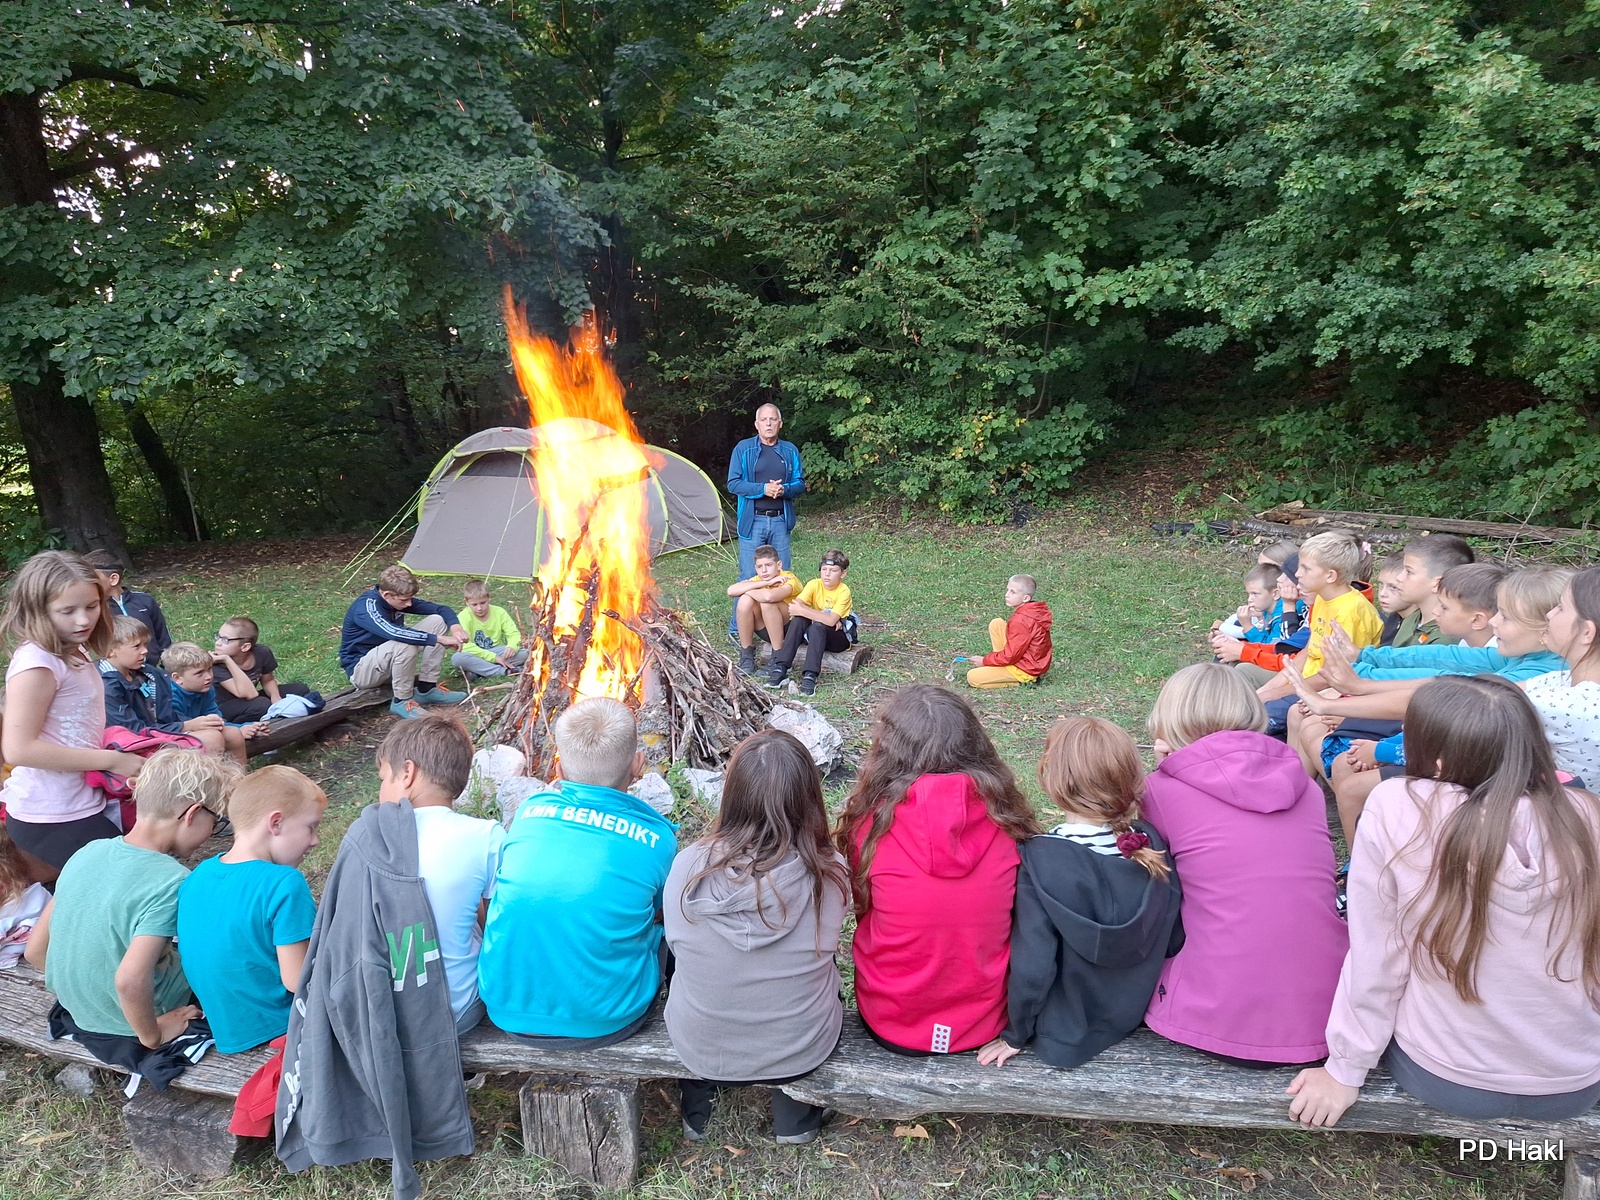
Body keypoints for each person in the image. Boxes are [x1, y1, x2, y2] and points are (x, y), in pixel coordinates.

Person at [1287, 675, 1600, 1127]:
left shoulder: (1400, 806)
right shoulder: (1586, 814)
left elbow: (1379, 952)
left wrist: (1344, 1069)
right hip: (1573, 1081)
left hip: (1446, 1075)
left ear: (1434, 760)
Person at [1142, 664, 1348, 1065]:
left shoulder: (1161, 790)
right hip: (1323, 1009)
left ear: (1169, 719)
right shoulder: (1304, 787)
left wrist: (1162, 770)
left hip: (1216, 1016)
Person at [664, 729, 848, 1145]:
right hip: (801, 1047)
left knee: (689, 963)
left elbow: (677, 946)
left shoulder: (687, 866)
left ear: (732, 795)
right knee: (817, 963)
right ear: (810, 798)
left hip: (701, 1046)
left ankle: (698, 1111)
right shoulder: (830, 873)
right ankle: (796, 1120)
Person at [834, 685, 1040, 1055]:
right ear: (975, 744)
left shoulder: (867, 828)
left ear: (888, 751)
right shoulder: (1010, 826)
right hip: (982, 1023)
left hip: (891, 1019)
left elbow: (866, 909)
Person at [977, 717, 1183, 1070]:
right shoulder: (1149, 843)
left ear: (1051, 780)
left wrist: (1016, 1033)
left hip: (1065, 1034)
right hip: (1133, 1011)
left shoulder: (1039, 858)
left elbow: (1034, 964)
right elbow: (1173, 936)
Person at [25, 749, 237, 1072]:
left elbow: (35, 951)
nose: (212, 833)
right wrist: (153, 1034)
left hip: (82, 1012)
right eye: (215, 822)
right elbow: (129, 979)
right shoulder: (172, 880)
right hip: (141, 1017)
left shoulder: (87, 851)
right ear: (192, 814)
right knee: (224, 951)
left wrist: (86, 993)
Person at [479, 698, 676, 1047]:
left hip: (505, 1007)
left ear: (558, 768)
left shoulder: (530, 812)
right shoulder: (657, 838)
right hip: (608, 1018)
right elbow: (661, 911)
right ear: (638, 763)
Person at [0, 551, 146, 875]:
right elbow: (18, 749)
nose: (83, 620)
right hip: (49, 813)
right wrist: (112, 761)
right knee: (129, 880)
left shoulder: (72, 649)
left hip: (79, 800)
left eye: (92, 606)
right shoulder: (37, 664)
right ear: (38, 609)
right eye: (67, 611)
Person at [175, 766, 325, 1053]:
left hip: (228, 1031)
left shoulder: (197, 877)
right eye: (311, 827)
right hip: (284, 1025)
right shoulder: (284, 882)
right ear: (276, 823)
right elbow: (299, 980)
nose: (315, 840)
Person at [376, 714, 504, 1033]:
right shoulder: (486, 836)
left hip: (381, 1015)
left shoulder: (370, 837)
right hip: (455, 1012)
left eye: (383, 778)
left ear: (407, 772)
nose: (380, 790)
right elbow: (497, 926)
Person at [1257, 531, 1384, 703]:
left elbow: (1331, 676)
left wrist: (1274, 694)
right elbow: (1309, 650)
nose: (1297, 574)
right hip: (1304, 683)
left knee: (1258, 709)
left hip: (1327, 693)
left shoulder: (1350, 612)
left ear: (1330, 576)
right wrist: (1269, 688)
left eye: (1306, 568)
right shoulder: (1322, 598)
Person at [98, 616, 241, 764]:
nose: (145, 651)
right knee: (211, 738)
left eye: (145, 644)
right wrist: (186, 726)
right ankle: (209, 778)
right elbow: (133, 730)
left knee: (233, 734)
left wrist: (196, 723)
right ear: (111, 650)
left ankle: (239, 779)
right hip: (136, 746)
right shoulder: (106, 687)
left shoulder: (146, 673)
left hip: (161, 731)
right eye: (137, 646)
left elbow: (167, 715)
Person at [338, 564, 469, 719]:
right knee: (405, 642)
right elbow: (395, 633)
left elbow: (441, 609)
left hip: (389, 662)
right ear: (387, 595)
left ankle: (426, 689)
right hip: (362, 671)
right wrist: (439, 639)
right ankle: (402, 701)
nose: (409, 604)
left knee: (437, 621)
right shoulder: (366, 608)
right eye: (404, 600)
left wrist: (455, 628)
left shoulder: (395, 599)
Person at [726, 403, 806, 639]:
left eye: (773, 420)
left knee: (782, 575)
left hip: (780, 520)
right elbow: (733, 483)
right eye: (764, 420)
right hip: (753, 522)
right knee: (749, 574)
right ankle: (738, 629)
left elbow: (800, 483)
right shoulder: (743, 449)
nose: (768, 424)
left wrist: (784, 490)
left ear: (780, 423)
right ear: (756, 424)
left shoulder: (789, 450)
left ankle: (781, 627)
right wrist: (763, 489)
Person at [1524, 568, 1600, 783]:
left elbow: (1484, 701)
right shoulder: (1566, 679)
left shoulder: (1569, 706)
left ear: (1587, 632)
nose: (1549, 614)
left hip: (1564, 804)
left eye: (1560, 607)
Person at [765, 549, 856, 697]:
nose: (827, 574)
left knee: (817, 626)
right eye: (824, 569)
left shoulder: (843, 591)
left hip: (839, 638)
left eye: (833, 571)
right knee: (799, 620)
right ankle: (781, 666)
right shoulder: (814, 584)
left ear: (843, 574)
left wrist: (807, 612)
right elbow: (795, 607)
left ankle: (810, 675)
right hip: (815, 633)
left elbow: (831, 620)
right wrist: (816, 615)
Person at [1211, 554, 1309, 685]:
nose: (1279, 579)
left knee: (1242, 669)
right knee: (1226, 654)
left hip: (1294, 669)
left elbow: (1284, 647)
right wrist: (1235, 641)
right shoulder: (1272, 608)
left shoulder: (1286, 610)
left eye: (1287, 575)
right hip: (1286, 662)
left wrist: (1246, 632)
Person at [164, 641, 268, 757]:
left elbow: (216, 722)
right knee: (214, 738)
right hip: (173, 742)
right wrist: (239, 730)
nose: (209, 677)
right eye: (199, 673)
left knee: (233, 734)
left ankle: (239, 769)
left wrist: (244, 727)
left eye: (209, 669)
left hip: (202, 734)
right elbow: (179, 728)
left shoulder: (205, 690)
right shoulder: (168, 698)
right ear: (177, 678)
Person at [210, 616, 315, 723]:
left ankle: (274, 714)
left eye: (225, 640)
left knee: (300, 689)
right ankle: (238, 725)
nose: (218, 643)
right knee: (262, 705)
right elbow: (248, 694)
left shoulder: (261, 653)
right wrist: (227, 660)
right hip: (224, 709)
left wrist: (275, 697)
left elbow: (268, 680)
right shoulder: (216, 664)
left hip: (252, 701)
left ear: (245, 647)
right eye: (218, 636)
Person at [965, 574, 1053, 690]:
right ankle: (1000, 666)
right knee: (997, 624)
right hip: (1027, 660)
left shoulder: (1021, 620)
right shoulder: (1030, 610)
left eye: (1013, 592)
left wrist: (984, 661)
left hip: (1026, 668)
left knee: (972, 677)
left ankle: (1025, 681)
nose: (1006, 595)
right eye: (1007, 590)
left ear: (1026, 598)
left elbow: (1011, 656)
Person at [82, 549, 173, 659]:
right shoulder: (94, 609)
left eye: (92, 579)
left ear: (113, 579)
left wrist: (167, 665)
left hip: (151, 667)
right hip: (115, 669)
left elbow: (163, 637)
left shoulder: (145, 601)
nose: (87, 584)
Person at [727, 545, 802, 677]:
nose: (764, 570)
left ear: (778, 565)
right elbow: (731, 591)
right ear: (755, 568)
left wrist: (746, 589)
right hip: (766, 629)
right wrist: (765, 583)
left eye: (768, 565)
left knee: (767, 603)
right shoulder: (759, 580)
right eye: (760, 567)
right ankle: (746, 655)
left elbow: (769, 597)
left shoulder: (789, 579)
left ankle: (779, 657)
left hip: (790, 630)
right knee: (745, 600)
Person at [452, 580, 529, 683]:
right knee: (457, 658)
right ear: (466, 602)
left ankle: (478, 671)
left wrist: (512, 647)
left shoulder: (499, 612)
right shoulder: (463, 617)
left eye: (483, 603)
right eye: (474, 605)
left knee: (524, 653)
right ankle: (505, 671)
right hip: (475, 653)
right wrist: (494, 658)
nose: (479, 608)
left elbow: (513, 634)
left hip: (497, 650)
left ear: (489, 598)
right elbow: (466, 646)